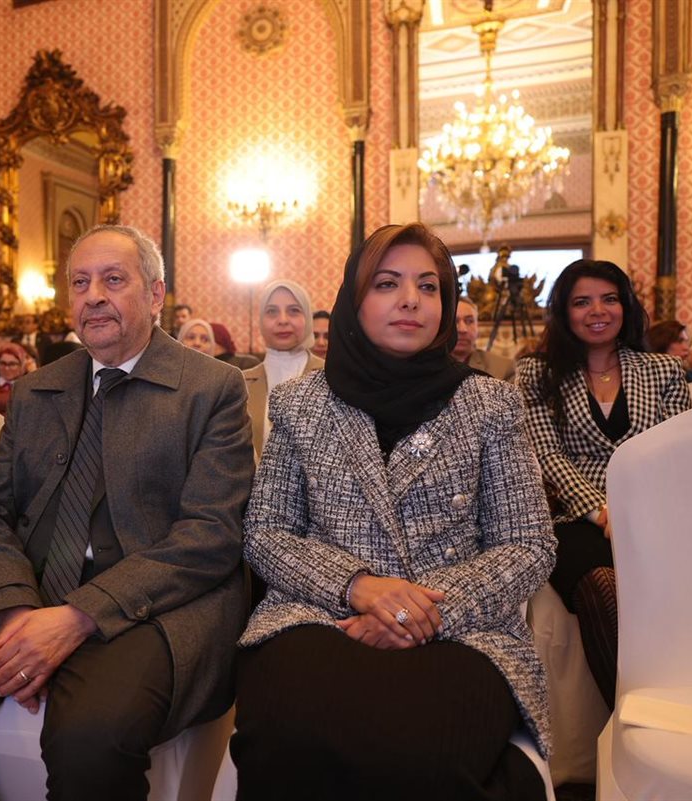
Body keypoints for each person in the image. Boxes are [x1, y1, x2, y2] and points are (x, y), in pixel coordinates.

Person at [0, 224, 253, 801]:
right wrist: (15, 607)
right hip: (30, 587)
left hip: (151, 605)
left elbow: (211, 533)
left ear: (155, 294)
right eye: (80, 283)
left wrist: (79, 616)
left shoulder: (211, 388)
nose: (94, 296)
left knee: (89, 740)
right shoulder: (39, 389)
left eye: (113, 280)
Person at [232, 223, 555, 800]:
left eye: (428, 287)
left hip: (462, 630)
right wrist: (358, 587)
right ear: (354, 302)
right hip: (319, 618)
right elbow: (266, 532)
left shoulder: (490, 402)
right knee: (287, 742)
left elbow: (529, 543)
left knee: (418, 757)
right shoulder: (301, 403)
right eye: (387, 284)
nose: (411, 300)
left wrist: (417, 612)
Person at [517, 259, 689, 707]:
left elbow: (676, 452)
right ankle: (632, 712)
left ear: (625, 306)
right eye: (582, 302)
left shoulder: (664, 370)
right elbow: (547, 456)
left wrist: (635, 510)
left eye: (609, 299)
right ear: (564, 311)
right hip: (574, 517)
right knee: (601, 586)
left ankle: (680, 700)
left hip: (653, 511)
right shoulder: (537, 373)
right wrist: (603, 511)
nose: (597, 310)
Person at [242, 279, 323, 460]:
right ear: (260, 320)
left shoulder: (331, 377)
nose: (283, 320)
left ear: (308, 317)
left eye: (294, 311)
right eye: (272, 312)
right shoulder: (241, 383)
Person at [453, 296, 516, 380]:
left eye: (469, 321)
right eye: (454, 322)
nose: (463, 329)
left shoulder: (503, 369)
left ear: (477, 326)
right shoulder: (433, 367)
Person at [0, 342, 27, 415]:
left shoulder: (27, 385)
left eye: (12, 364)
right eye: (2, 363)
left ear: (21, 365)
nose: (6, 368)